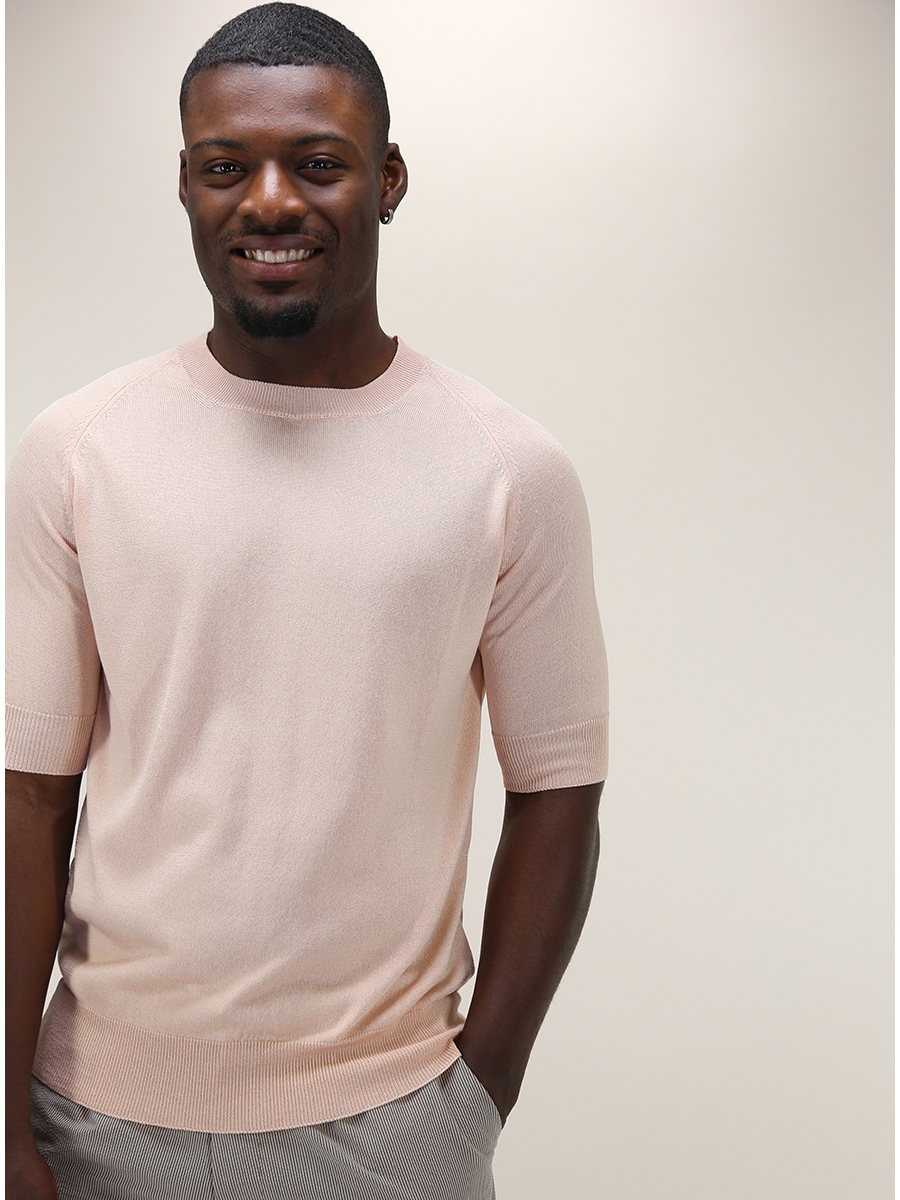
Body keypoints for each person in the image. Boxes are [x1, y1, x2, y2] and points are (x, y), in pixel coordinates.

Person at [5, 5, 609, 1197]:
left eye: (318, 164)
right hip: (90, 1119)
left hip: (389, 1127)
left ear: (389, 180)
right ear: (186, 186)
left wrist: (475, 1101)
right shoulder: (76, 450)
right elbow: (28, 794)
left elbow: (560, 793)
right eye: (225, 166)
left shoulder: (507, 468)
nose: (270, 201)